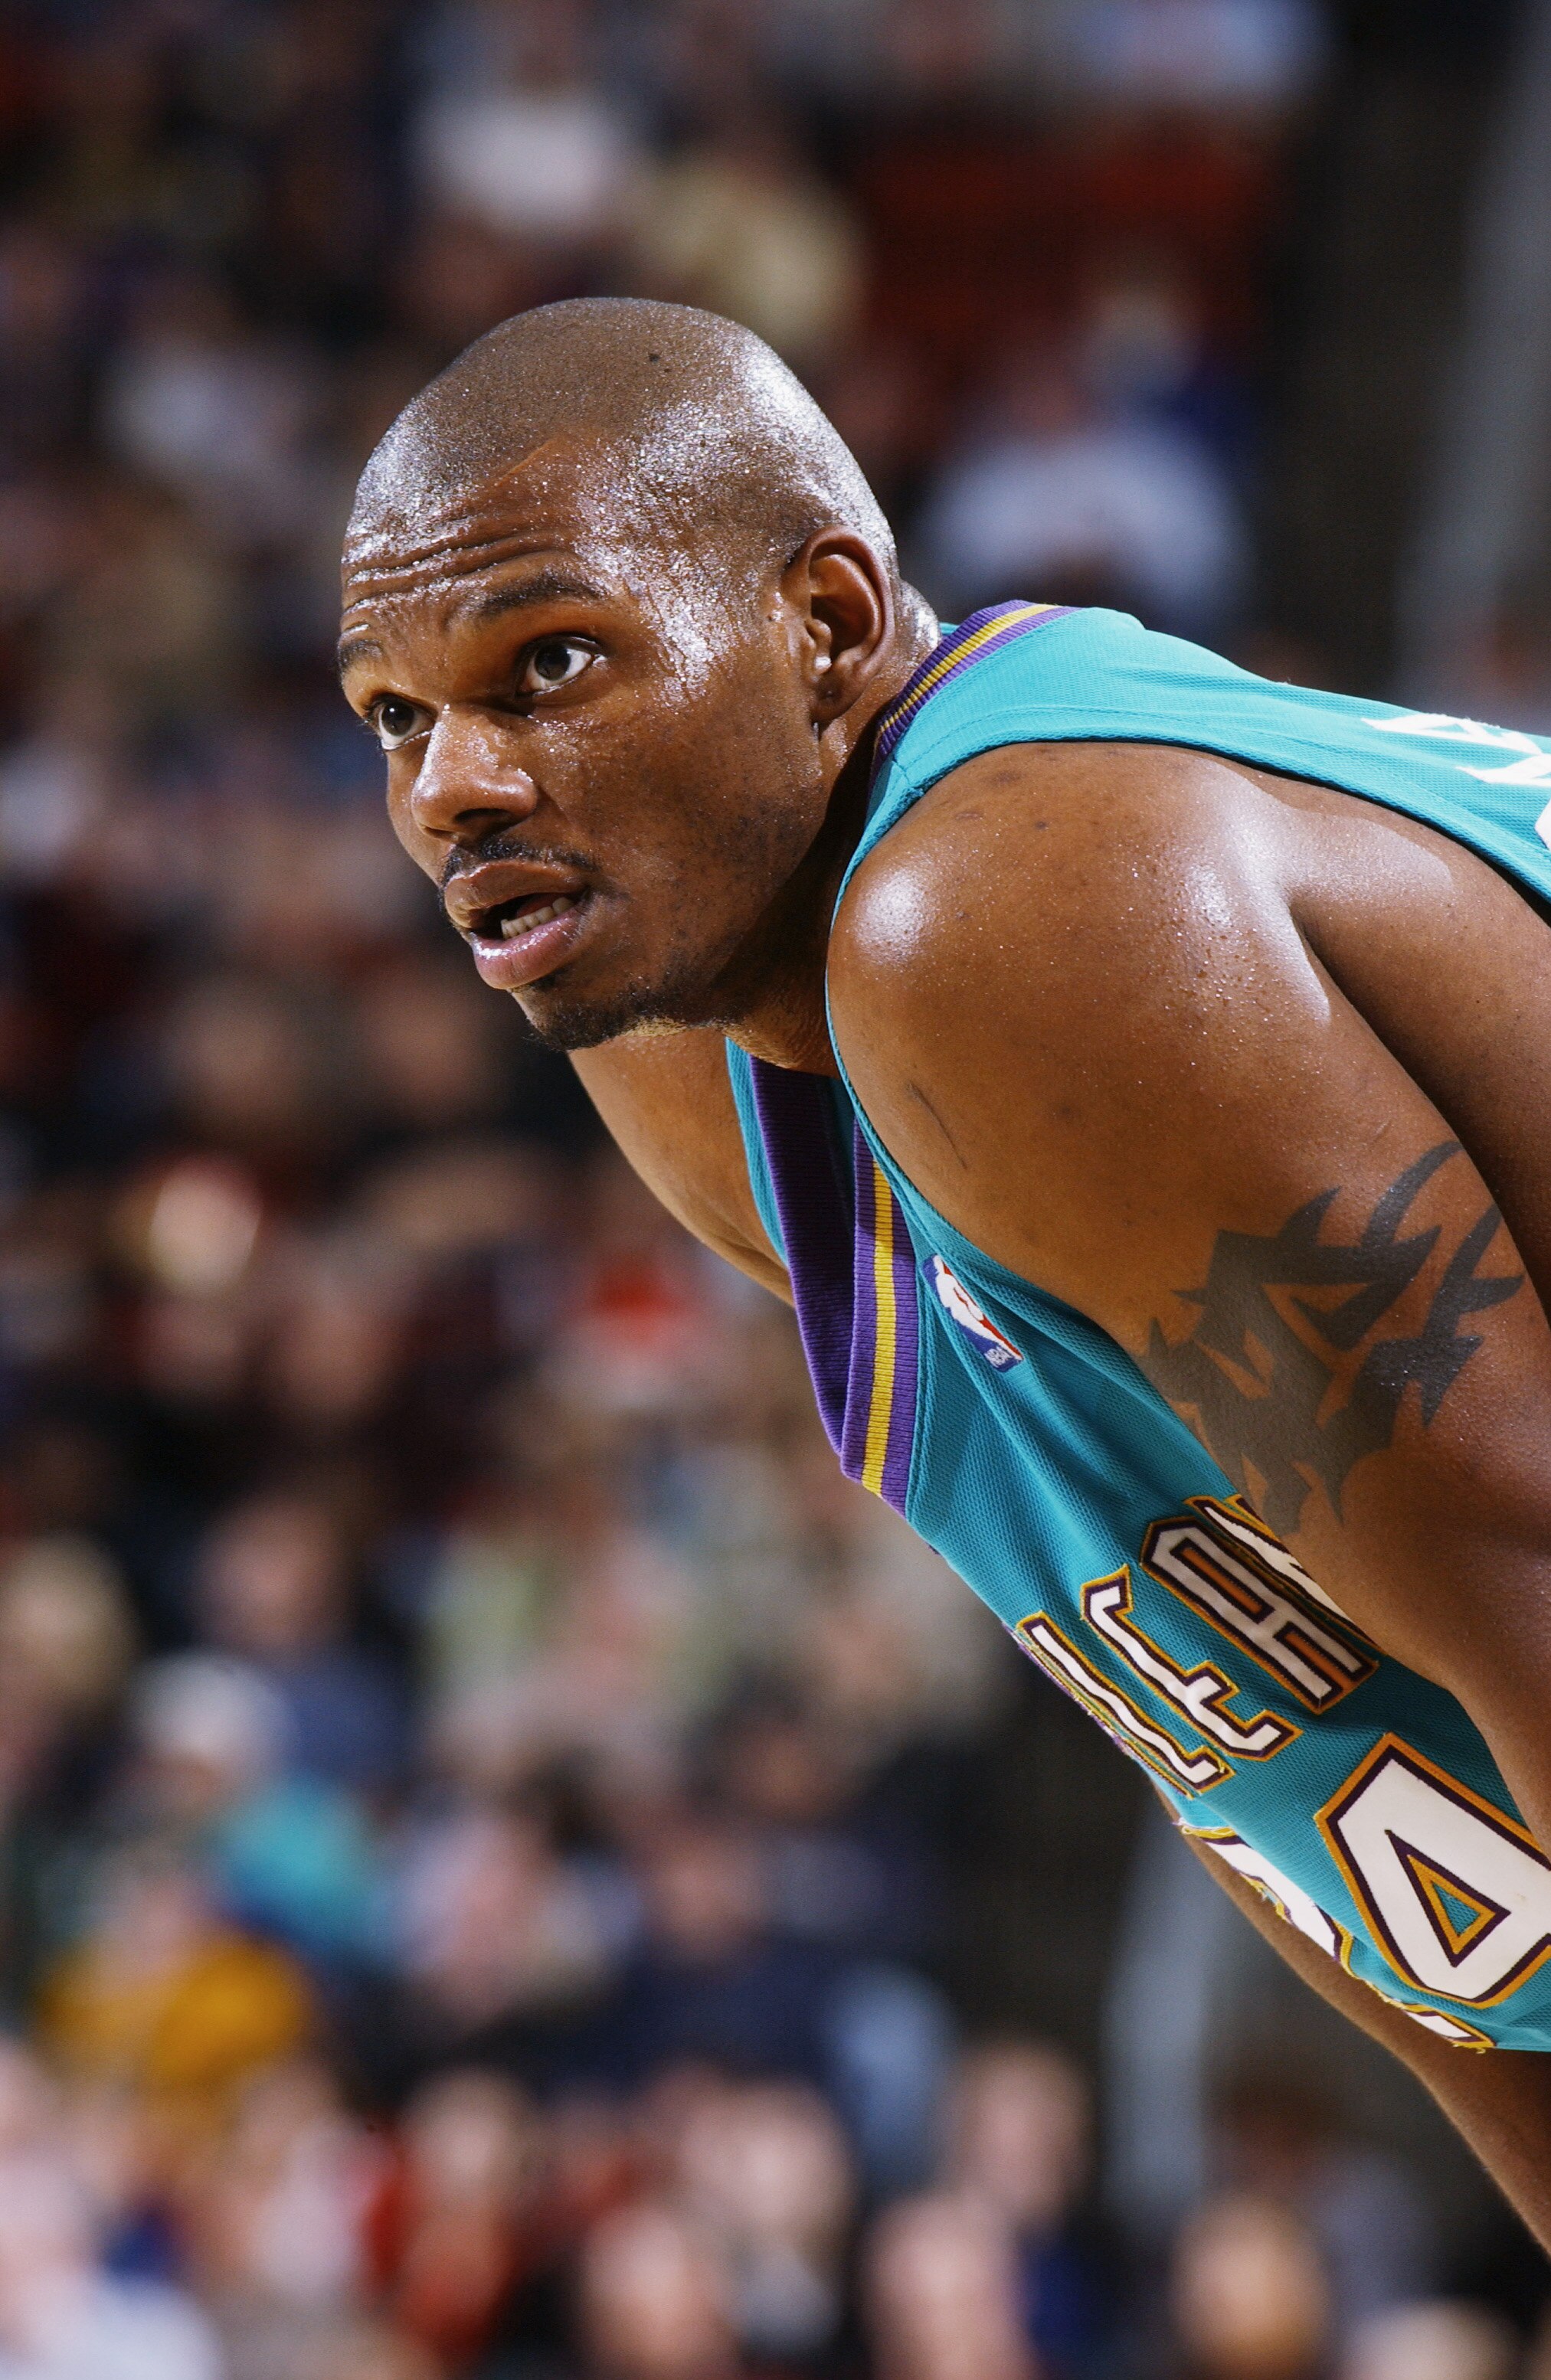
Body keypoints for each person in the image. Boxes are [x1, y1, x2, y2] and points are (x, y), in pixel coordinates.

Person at [339, 296, 1551, 2239]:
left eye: (547, 664)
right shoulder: (693, 1049)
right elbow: (1287, 1779)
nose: (449, 787)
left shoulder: (1002, 910)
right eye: (394, 716)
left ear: (824, 626)